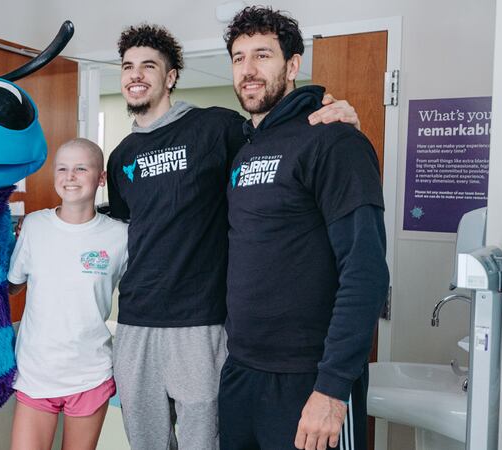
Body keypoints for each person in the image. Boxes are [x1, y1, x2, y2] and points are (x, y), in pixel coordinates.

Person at [106, 23, 362, 450]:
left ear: (169, 77)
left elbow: (277, 136)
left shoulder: (217, 128)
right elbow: (129, 230)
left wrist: (333, 108)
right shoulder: (120, 158)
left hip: (203, 321)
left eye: (148, 65)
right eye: (128, 66)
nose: (136, 74)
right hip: (137, 322)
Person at [219, 7, 389, 450]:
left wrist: (332, 389)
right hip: (241, 371)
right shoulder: (244, 150)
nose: (249, 70)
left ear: (293, 65)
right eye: (238, 58)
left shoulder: (334, 140)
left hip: (309, 378)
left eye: (263, 55)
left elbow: (365, 271)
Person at [8, 138, 128, 450]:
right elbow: (13, 284)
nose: (70, 176)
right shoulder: (34, 226)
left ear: (100, 178)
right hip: (37, 371)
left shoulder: (121, 236)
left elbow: (141, 293)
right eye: (62, 168)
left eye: (80, 168)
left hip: (90, 373)